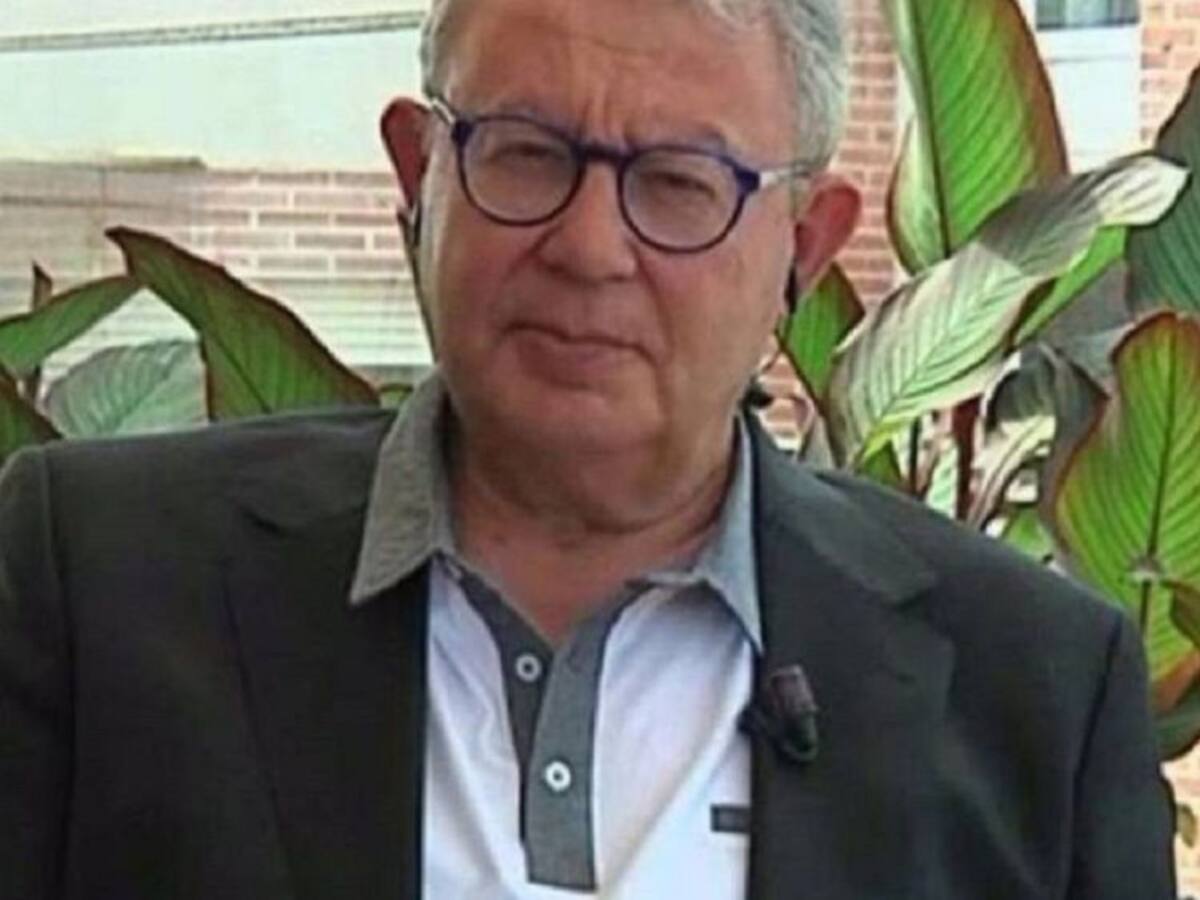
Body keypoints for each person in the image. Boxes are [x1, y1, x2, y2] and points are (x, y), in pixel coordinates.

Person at [0, 0, 1177, 897]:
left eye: (679, 183)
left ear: (804, 248)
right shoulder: (96, 581)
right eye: (526, 152)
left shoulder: (1036, 693)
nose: (589, 246)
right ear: (419, 176)